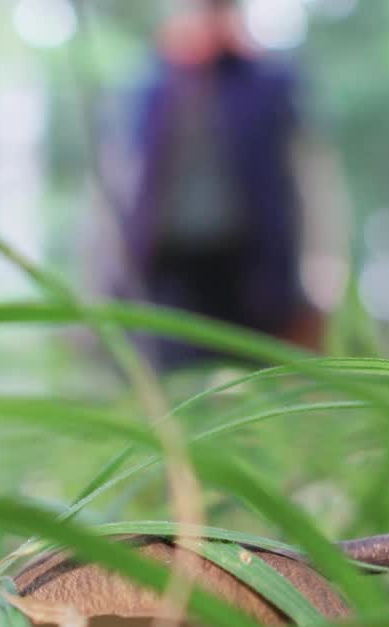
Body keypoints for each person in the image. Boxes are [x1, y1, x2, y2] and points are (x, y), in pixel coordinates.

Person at [104, 0, 336, 367]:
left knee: (248, 374)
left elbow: (307, 175)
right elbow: (120, 179)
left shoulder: (269, 84)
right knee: (175, 374)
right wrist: (108, 272)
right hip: (169, 267)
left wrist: (321, 263)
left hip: (252, 268)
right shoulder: (153, 86)